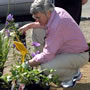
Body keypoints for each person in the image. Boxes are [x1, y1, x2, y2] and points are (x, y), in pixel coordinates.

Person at [19, 0, 89, 88]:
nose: (37, 20)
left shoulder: (57, 25)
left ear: (47, 13)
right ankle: (60, 66)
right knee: (37, 30)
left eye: (38, 17)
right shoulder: (55, 11)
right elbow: (46, 25)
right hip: (66, 50)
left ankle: (71, 74)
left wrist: (28, 63)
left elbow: (48, 54)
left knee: (45, 67)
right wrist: (29, 26)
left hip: (79, 55)